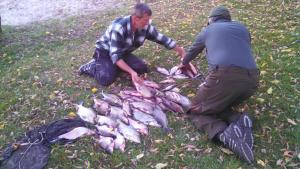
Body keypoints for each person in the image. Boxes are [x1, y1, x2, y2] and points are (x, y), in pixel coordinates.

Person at [181, 6, 259, 163]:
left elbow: (192, 51)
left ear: (211, 20)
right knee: (217, 103)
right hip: (252, 81)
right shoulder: (242, 28)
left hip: (225, 77)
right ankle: (238, 120)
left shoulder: (208, 30)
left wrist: (183, 63)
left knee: (195, 110)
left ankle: (224, 134)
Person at [78, 3, 185, 86]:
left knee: (142, 69)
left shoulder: (144, 26)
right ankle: (92, 66)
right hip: (105, 52)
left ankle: (113, 67)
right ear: (135, 19)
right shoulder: (119, 28)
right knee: (106, 79)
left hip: (122, 52)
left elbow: (161, 38)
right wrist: (131, 72)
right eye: (145, 20)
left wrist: (180, 50)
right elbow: (116, 56)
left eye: (148, 20)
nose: (147, 23)